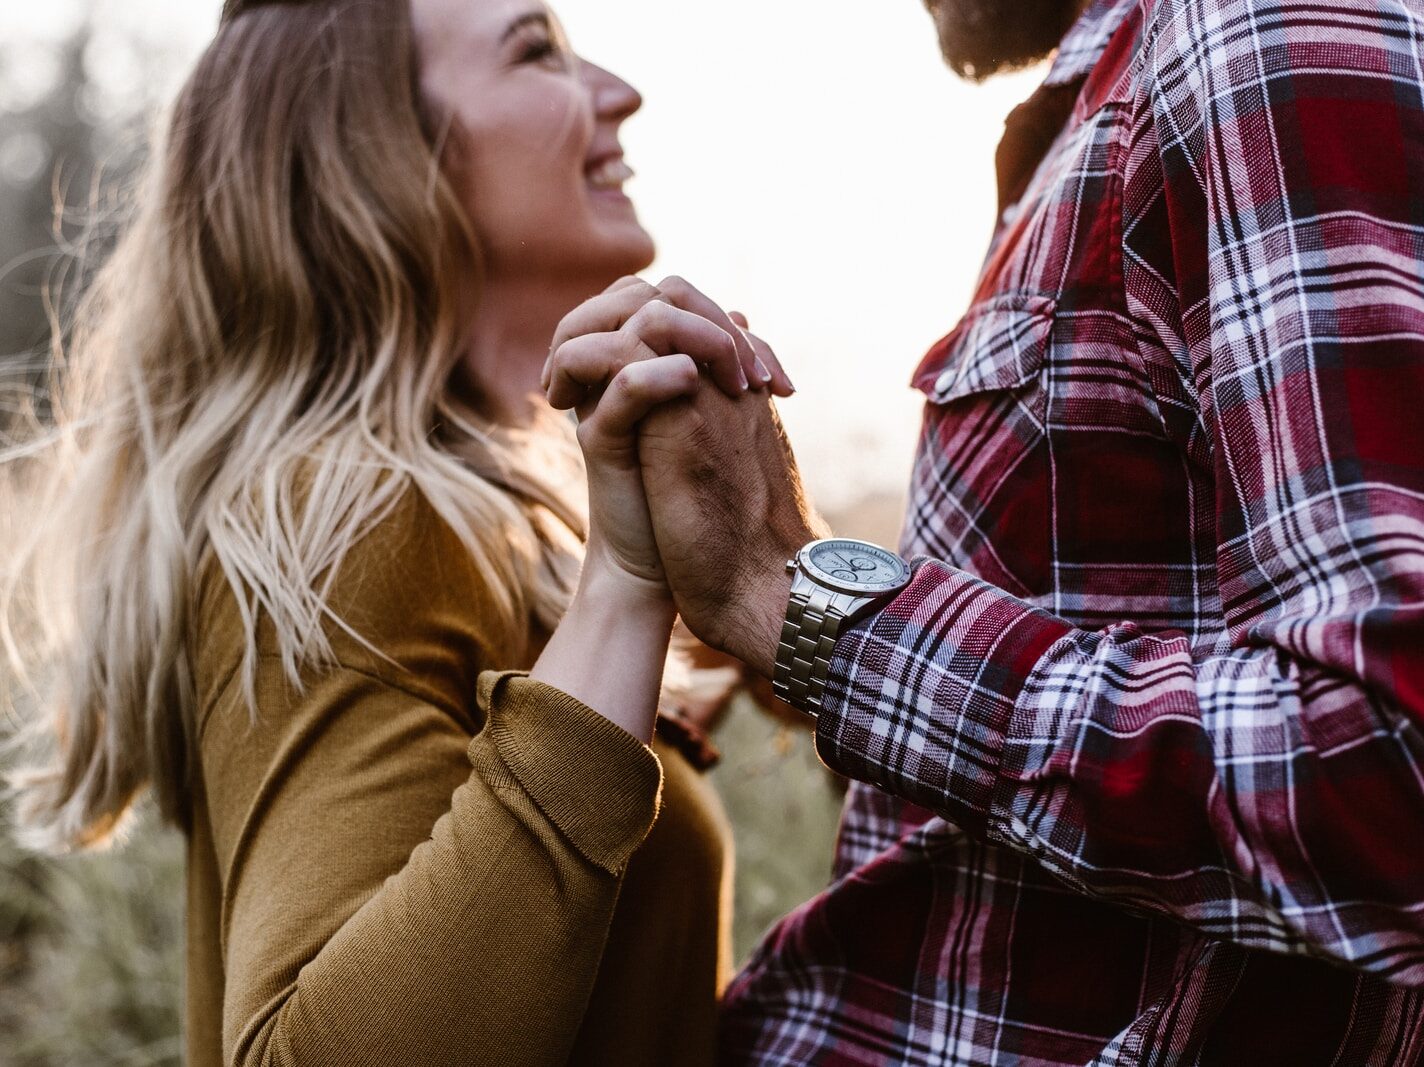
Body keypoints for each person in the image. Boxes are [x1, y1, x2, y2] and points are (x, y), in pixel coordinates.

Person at [546, 0, 1424, 1061]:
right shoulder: (1116, 96)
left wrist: (788, 596)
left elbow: (1383, 757)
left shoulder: (1249, 32)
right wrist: (796, 597)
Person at [1, 1, 793, 1064]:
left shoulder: (485, 519)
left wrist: (763, 566)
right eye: (535, 48)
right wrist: (623, 591)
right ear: (377, 153)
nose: (614, 89)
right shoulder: (351, 515)